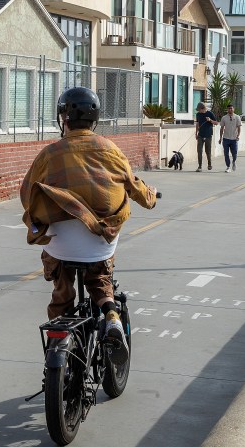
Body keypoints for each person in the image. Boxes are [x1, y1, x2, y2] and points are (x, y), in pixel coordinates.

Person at [20, 87, 157, 365]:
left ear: (64, 119)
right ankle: (111, 315)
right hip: (100, 243)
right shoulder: (110, 149)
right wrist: (150, 196)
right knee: (99, 279)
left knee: (62, 287)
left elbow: (27, 195)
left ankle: (59, 337)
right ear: (93, 121)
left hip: (61, 244)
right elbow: (136, 189)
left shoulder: (50, 153)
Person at [194, 102, 218, 172]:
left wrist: (210, 120)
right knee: (199, 151)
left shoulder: (210, 114)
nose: (199, 111)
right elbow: (197, 124)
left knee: (208, 151)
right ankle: (200, 166)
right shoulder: (198, 114)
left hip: (208, 135)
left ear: (203, 108)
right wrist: (196, 133)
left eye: (199, 110)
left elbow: (216, 123)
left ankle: (209, 164)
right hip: (200, 135)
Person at [219, 104, 242, 172]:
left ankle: (234, 162)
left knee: (234, 153)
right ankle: (228, 166)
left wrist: (238, 136)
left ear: (233, 109)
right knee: (226, 154)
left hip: (234, 139)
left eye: (231, 108)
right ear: (227, 109)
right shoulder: (224, 118)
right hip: (226, 138)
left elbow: (239, 127)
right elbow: (222, 128)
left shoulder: (237, 117)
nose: (230, 110)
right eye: (229, 108)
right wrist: (220, 138)